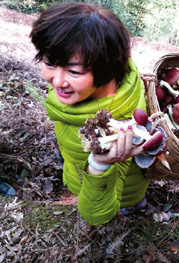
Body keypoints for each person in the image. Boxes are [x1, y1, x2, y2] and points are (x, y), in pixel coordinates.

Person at [30, 2, 150, 226]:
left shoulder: (118, 128)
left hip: (116, 193)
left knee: (126, 205)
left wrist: (99, 164)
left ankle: (134, 207)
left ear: (107, 69)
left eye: (74, 71)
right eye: (49, 63)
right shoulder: (87, 82)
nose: (57, 82)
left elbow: (97, 216)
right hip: (76, 172)